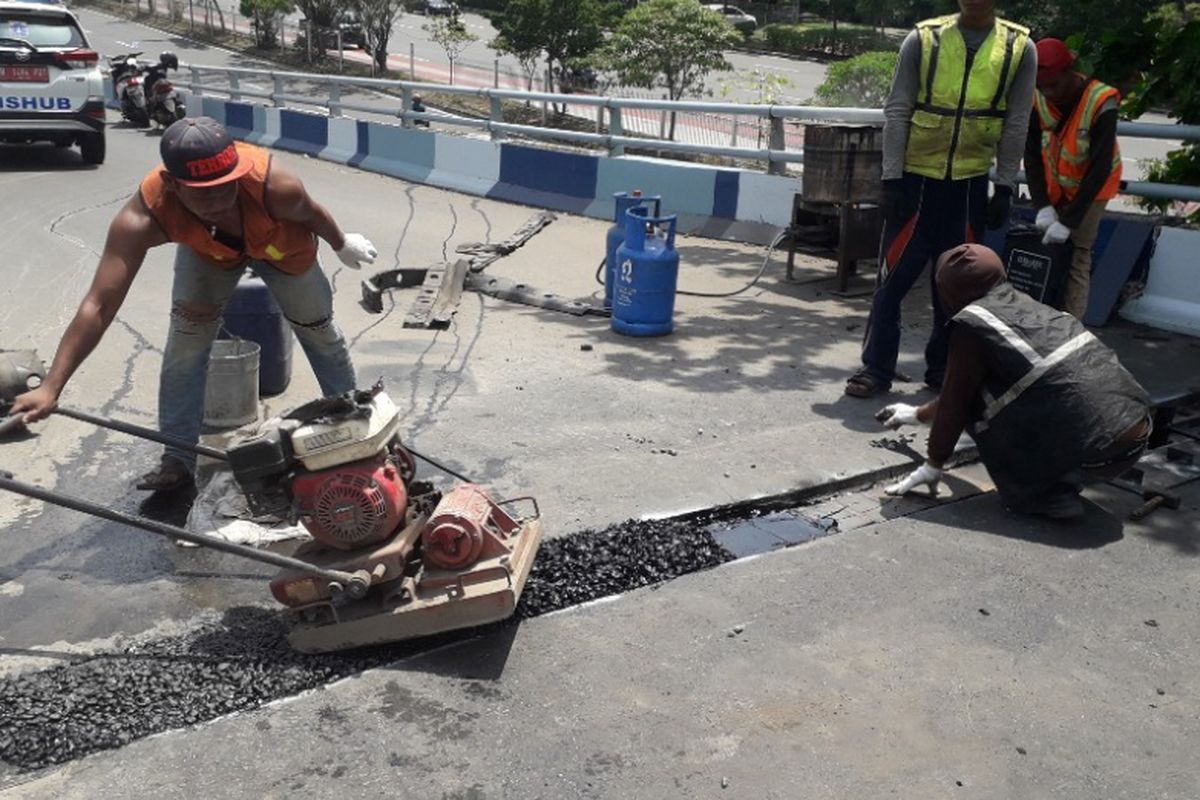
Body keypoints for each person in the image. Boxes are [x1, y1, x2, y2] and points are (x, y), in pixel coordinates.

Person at [9, 116, 379, 491]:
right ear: (172, 184)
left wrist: (339, 242)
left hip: (283, 248)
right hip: (209, 254)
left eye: (225, 187)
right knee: (186, 344)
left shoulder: (276, 186)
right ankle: (177, 458)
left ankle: (354, 426)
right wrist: (51, 386)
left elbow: (312, 213)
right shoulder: (146, 214)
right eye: (203, 193)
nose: (218, 201)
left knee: (317, 330)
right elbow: (99, 305)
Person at [845, 0, 1037, 399]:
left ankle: (943, 370)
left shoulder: (1020, 48)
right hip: (915, 184)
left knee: (958, 288)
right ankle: (877, 368)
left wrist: (1004, 185)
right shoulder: (925, 39)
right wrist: (891, 179)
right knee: (890, 282)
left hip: (968, 189)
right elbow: (897, 110)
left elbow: (1018, 120)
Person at [876, 244, 1151, 520]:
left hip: (1096, 454)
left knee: (979, 405)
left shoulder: (972, 326)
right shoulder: (1025, 303)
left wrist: (934, 464)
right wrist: (916, 414)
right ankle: (1063, 473)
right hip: (1137, 430)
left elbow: (956, 402)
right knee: (1013, 389)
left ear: (947, 291)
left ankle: (1045, 495)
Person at [1024, 38, 1123, 320]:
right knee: (1048, 253)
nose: (1048, 93)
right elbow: (1030, 154)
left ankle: (1071, 330)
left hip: (1094, 187)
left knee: (1078, 253)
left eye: (1053, 85)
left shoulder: (1101, 102)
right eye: (1042, 87)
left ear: (1070, 71)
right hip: (1056, 187)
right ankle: (1043, 319)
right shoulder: (1037, 97)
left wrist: (1069, 221)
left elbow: (1100, 165)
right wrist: (1041, 204)